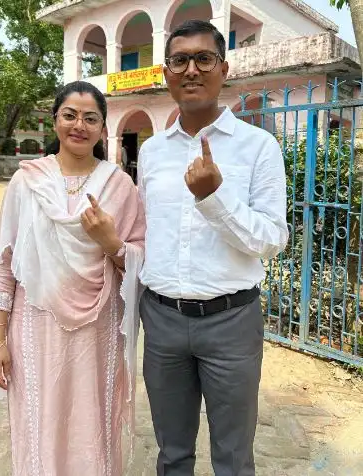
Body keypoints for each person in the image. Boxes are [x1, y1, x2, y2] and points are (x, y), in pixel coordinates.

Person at [137, 20, 288, 476]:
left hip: (231, 323)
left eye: (204, 58)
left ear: (224, 69)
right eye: (180, 60)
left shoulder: (259, 147)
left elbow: (271, 240)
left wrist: (213, 198)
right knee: (173, 454)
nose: (191, 70)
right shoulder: (152, 152)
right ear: (167, 72)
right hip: (162, 322)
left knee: (233, 457)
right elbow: (146, 232)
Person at [0, 81, 145, 476]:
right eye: (70, 115)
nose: (79, 125)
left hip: (98, 333)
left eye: (90, 118)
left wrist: (110, 242)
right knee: (40, 420)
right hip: (35, 329)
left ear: (103, 128)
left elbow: (140, 264)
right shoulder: (27, 182)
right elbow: (4, 265)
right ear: (54, 120)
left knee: (92, 422)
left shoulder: (119, 186)